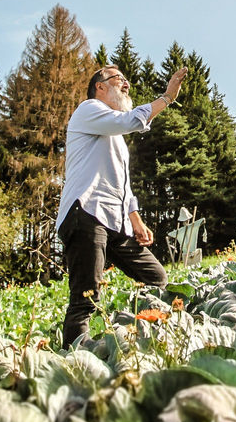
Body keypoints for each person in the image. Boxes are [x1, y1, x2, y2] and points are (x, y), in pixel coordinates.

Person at [55, 64, 187, 346]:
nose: (126, 84)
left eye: (127, 80)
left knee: (156, 277)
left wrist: (135, 219)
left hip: (114, 221)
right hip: (85, 213)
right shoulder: (88, 109)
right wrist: (166, 98)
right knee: (85, 297)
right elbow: (131, 121)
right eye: (119, 79)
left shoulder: (114, 135)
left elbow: (121, 184)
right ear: (100, 87)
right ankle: (74, 360)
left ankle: (149, 332)